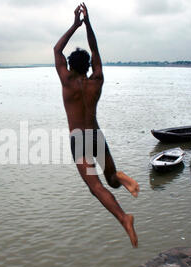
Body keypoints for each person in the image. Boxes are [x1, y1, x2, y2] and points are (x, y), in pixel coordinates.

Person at [53, 3, 140, 248]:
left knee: (96, 186)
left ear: (70, 66)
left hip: (79, 140)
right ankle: (122, 178)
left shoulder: (67, 81)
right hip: (96, 135)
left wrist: (75, 24)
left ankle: (124, 219)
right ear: (89, 67)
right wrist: (89, 23)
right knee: (112, 179)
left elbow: (56, 48)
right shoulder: (97, 80)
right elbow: (95, 49)